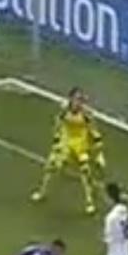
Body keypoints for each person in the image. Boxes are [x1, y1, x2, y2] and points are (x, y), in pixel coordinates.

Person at [30, 87, 106, 215]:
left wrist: (99, 152)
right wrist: (57, 140)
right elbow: (58, 124)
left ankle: (89, 202)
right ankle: (41, 191)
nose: (79, 102)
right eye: (76, 99)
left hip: (80, 143)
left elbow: (94, 131)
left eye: (80, 100)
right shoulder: (64, 110)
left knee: (85, 171)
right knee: (52, 165)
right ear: (70, 99)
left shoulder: (86, 114)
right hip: (66, 141)